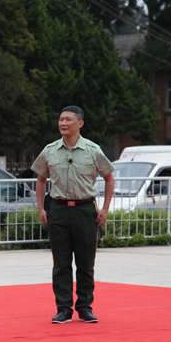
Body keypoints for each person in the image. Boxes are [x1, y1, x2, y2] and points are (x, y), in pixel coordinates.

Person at [31, 106, 115, 324]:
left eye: (68, 119)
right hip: (58, 209)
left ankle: (85, 308)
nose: (63, 123)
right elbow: (40, 180)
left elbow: (109, 178)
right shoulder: (49, 150)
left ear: (80, 123)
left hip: (85, 210)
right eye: (61, 119)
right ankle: (63, 309)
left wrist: (105, 208)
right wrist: (41, 208)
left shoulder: (93, 150)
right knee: (61, 262)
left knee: (85, 262)